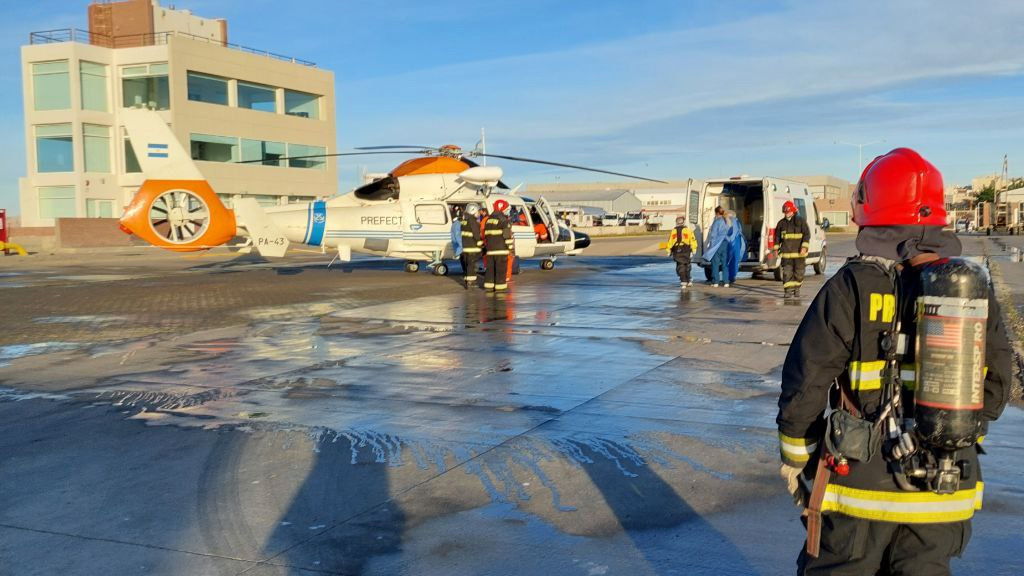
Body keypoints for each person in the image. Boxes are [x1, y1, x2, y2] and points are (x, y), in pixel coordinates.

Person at [777, 148, 1012, 575]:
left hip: (860, 490)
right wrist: (951, 428)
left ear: (871, 206)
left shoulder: (852, 285)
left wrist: (797, 458)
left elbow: (806, 379)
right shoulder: (970, 287)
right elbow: (996, 385)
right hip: (946, 486)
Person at [774, 200, 811, 298]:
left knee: (799, 273)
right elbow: (777, 237)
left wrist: (804, 247)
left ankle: (797, 289)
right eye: (785, 212)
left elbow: (807, 235)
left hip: (799, 254)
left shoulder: (801, 221)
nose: (787, 214)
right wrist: (775, 249)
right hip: (786, 254)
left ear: (793, 211)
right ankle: (787, 291)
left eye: (788, 212)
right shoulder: (781, 224)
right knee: (786, 273)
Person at [483, 199, 514, 292]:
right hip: (501, 250)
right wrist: (510, 248)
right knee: (500, 270)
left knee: (490, 270)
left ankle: (489, 287)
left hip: (490, 250)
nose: (507, 211)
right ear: (502, 208)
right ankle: (500, 289)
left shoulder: (488, 220)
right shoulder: (504, 220)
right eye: (506, 208)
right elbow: (507, 236)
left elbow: (486, 235)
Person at [665, 216, 697, 288]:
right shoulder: (688, 230)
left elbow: (670, 241)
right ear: (684, 222)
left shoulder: (674, 231)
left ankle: (684, 281)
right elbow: (692, 240)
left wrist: (669, 250)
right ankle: (687, 280)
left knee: (681, 265)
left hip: (678, 250)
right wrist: (693, 249)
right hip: (686, 250)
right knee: (686, 265)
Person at [457, 203, 484, 289]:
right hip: (472, 247)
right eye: (477, 211)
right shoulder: (473, 222)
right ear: (473, 211)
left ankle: (467, 280)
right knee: (471, 266)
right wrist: (481, 244)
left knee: (467, 264)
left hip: (465, 247)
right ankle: (471, 282)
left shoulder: (464, 221)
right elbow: (476, 235)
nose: (479, 213)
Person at [705, 206, 731, 287]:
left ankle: (715, 282)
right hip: (725, 243)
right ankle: (726, 282)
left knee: (715, 263)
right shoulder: (727, 220)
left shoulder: (717, 221)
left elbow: (713, 235)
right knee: (724, 263)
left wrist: (711, 246)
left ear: (716, 213)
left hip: (717, 243)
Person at [725, 210, 747, 285]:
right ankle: (731, 277)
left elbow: (731, 234)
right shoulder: (737, 222)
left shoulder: (732, 222)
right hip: (736, 244)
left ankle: (730, 277)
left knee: (731, 261)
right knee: (734, 261)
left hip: (732, 244)